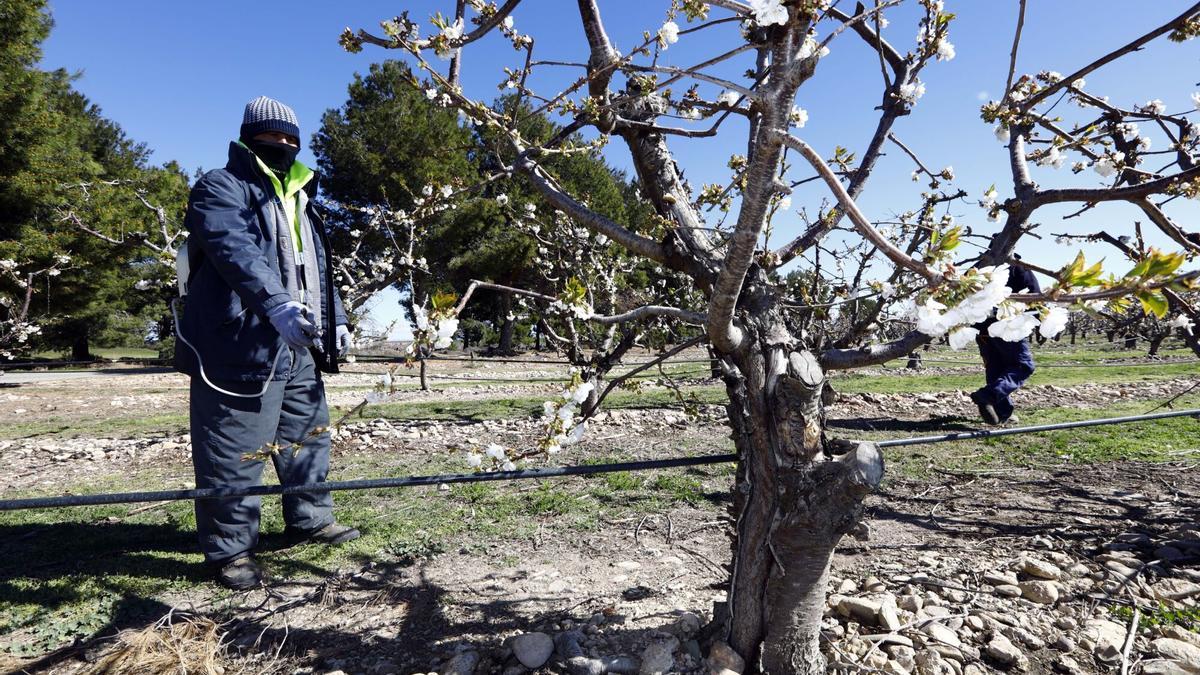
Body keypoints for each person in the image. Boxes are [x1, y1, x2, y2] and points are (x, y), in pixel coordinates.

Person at [175, 96, 359, 589]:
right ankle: (231, 551)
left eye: (289, 139)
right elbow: (233, 250)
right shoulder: (221, 187)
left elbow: (315, 269)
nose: (280, 145)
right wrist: (275, 305)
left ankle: (311, 518)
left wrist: (335, 317)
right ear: (247, 136)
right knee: (234, 448)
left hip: (298, 344)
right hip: (238, 344)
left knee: (307, 436)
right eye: (270, 137)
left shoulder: (302, 196)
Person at [970, 261, 1041, 425]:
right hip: (1008, 326)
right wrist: (1035, 319)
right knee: (1022, 366)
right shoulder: (1018, 268)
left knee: (995, 368)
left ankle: (1002, 413)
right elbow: (1034, 295)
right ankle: (988, 396)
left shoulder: (977, 268)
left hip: (981, 330)